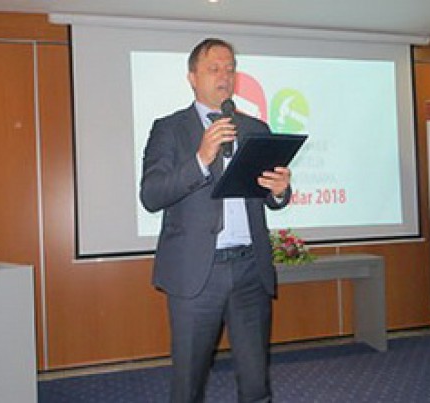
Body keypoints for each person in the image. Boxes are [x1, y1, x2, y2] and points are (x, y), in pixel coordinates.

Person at [140, 38, 292, 403]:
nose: (224, 76)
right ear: (192, 77)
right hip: (196, 274)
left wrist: (280, 191)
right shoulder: (169, 129)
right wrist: (200, 160)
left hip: (250, 271)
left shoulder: (256, 128)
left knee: (256, 383)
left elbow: (271, 199)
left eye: (230, 68)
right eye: (213, 69)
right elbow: (151, 195)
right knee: (188, 384)